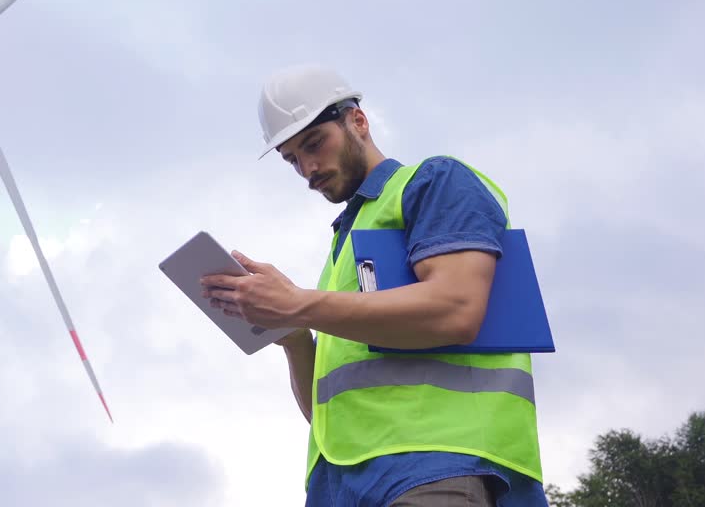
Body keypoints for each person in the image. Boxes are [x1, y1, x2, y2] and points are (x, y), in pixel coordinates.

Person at [200, 65, 548, 507]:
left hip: (435, 465)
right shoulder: (344, 247)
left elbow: (457, 308)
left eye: (314, 143)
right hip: (340, 487)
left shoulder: (433, 181)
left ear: (358, 121)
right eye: (292, 159)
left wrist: (298, 304)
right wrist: (295, 338)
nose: (307, 168)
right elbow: (328, 416)